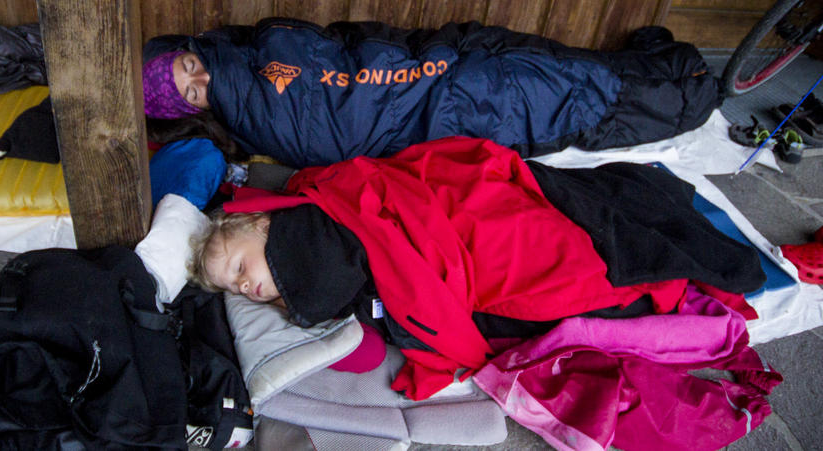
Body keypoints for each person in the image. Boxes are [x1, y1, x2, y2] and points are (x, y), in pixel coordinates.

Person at [190, 136, 765, 400]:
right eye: (236, 287)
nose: (244, 285)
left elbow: (390, 203)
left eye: (240, 265)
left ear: (264, 227)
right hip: (433, 259)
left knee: (562, 258)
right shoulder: (302, 282)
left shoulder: (309, 223)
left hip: (464, 230)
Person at [143, 18, 722, 168]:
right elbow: (335, 128)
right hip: (450, 105)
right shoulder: (252, 122)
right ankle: (688, 88)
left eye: (190, 66)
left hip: (434, 66)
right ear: (192, 112)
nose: (203, 80)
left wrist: (429, 51)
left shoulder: (264, 41)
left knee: (549, 65)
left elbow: (348, 44)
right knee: (565, 92)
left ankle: (657, 64)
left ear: (194, 49)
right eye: (191, 93)